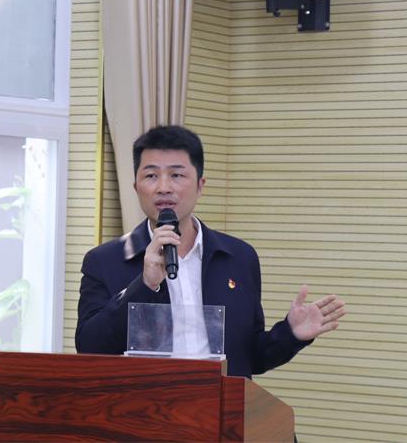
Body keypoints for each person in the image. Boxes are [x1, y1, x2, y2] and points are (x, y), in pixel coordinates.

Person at [75, 125, 345, 378]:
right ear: (136, 187)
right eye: (151, 175)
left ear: (200, 185)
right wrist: (144, 285)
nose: (163, 187)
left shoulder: (239, 257)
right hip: (147, 408)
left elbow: (248, 357)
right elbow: (90, 348)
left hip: (221, 407)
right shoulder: (105, 261)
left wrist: (290, 334)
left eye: (177, 175)